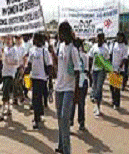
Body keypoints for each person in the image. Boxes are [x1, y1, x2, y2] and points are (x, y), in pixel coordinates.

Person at [51, 22, 80, 154]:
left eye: (60, 33)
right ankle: (61, 145)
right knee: (60, 118)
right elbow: (57, 64)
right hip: (59, 87)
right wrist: (52, 54)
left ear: (65, 33)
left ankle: (67, 150)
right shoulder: (60, 46)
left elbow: (78, 71)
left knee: (65, 118)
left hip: (69, 88)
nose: (59, 35)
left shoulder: (73, 50)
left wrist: (77, 93)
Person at [25, 32, 52, 129]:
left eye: (35, 39)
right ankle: (38, 116)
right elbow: (29, 63)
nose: (34, 40)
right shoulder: (32, 50)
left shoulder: (45, 51)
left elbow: (49, 65)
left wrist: (50, 80)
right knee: (36, 98)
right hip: (34, 77)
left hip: (42, 78)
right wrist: (25, 73)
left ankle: (37, 118)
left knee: (37, 98)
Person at [0, 35, 18, 121]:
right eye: (7, 39)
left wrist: (9, 62)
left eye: (10, 39)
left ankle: (3, 110)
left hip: (10, 74)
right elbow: (0, 59)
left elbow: (16, 61)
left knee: (5, 92)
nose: (8, 41)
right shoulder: (4, 49)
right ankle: (9, 108)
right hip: (4, 72)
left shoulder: (14, 50)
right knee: (8, 91)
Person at [88, 33, 110, 117]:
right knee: (94, 86)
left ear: (103, 39)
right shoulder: (94, 47)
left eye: (101, 38)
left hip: (101, 70)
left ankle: (98, 107)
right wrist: (89, 69)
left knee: (99, 88)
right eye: (98, 38)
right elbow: (90, 58)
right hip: (94, 70)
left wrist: (107, 70)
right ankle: (95, 102)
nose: (100, 40)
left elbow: (107, 60)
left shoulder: (106, 48)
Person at [70, 38, 89, 131]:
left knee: (79, 103)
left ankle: (80, 122)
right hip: (73, 82)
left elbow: (86, 69)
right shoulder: (71, 55)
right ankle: (72, 122)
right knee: (74, 104)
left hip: (81, 82)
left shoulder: (84, 56)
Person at [110, 32, 128, 110]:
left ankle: (116, 103)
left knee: (117, 87)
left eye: (120, 37)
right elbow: (110, 55)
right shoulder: (113, 44)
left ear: (123, 38)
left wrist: (120, 66)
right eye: (118, 36)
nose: (119, 38)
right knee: (111, 86)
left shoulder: (124, 47)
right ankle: (113, 100)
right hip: (112, 68)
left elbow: (125, 58)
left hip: (120, 69)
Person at [13, 35, 26, 105]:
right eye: (16, 38)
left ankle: (19, 96)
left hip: (20, 67)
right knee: (15, 83)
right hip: (14, 67)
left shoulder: (22, 48)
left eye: (18, 38)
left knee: (18, 82)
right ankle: (17, 97)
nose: (17, 40)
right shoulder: (13, 48)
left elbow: (24, 58)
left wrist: (23, 67)